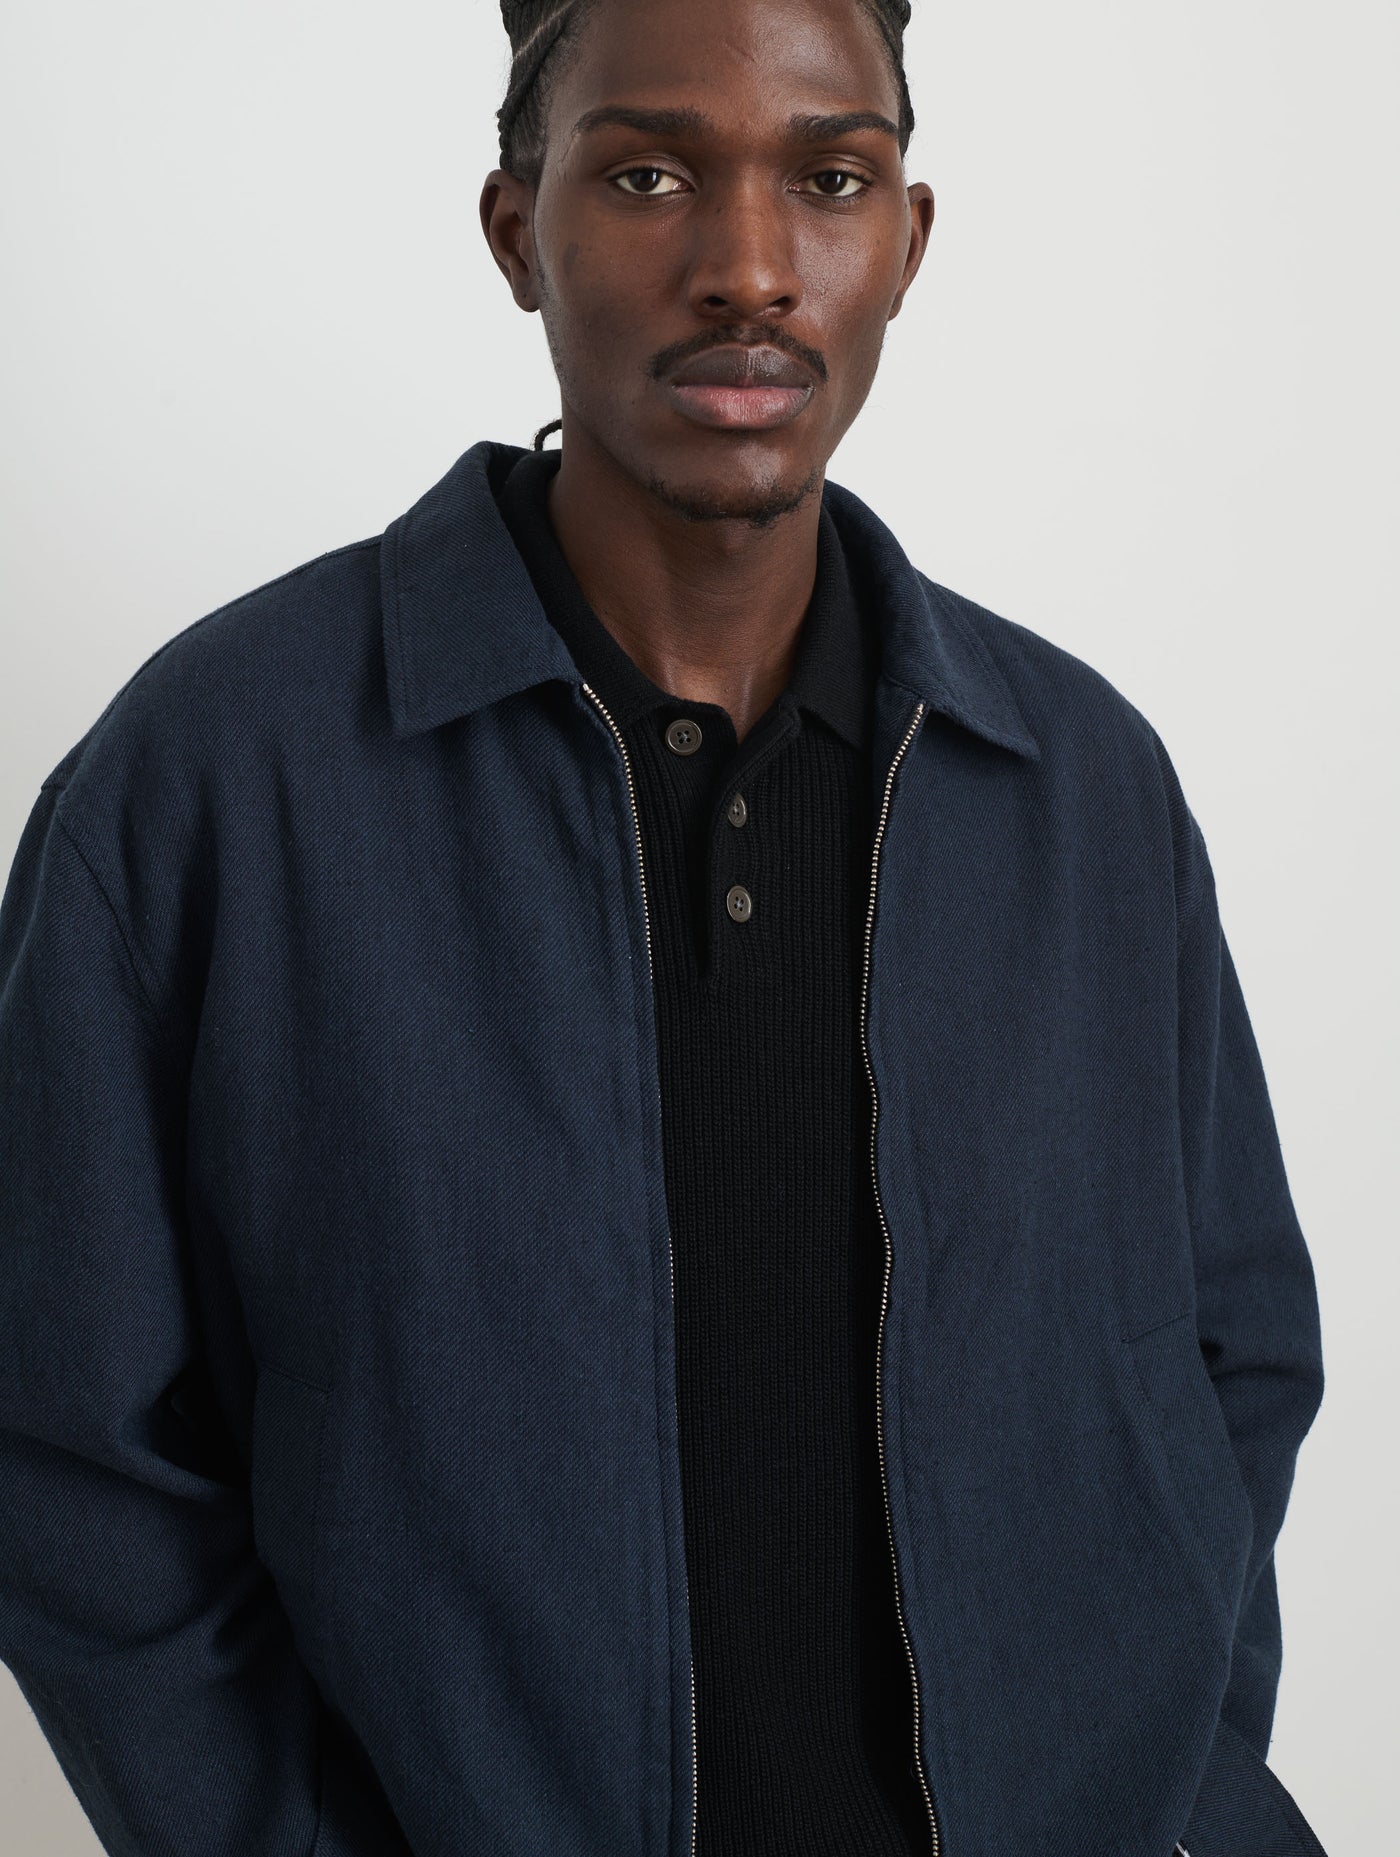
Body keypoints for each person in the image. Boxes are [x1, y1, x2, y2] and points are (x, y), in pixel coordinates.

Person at [0, 2, 1328, 1854]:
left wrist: (1172, 1784)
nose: (751, 268)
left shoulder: (1082, 781)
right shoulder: (214, 775)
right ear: (513, 228)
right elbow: (61, 1437)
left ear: (908, 242)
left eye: (830, 179)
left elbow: (1233, 1357)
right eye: (644, 175)